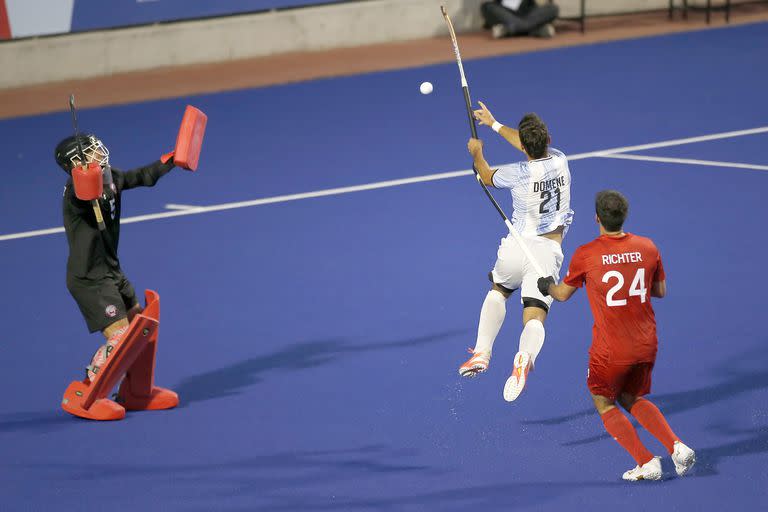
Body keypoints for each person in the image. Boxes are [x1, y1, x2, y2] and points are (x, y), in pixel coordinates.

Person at [537, 190, 696, 481]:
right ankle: (677, 445)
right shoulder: (648, 247)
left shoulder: (586, 254)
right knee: (630, 395)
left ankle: (646, 461)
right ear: (625, 216)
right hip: (647, 343)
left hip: (611, 351)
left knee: (604, 400)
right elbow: (660, 291)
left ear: (597, 217)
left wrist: (546, 285)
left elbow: (561, 295)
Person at [459, 102, 574, 403]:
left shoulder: (517, 173)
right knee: (534, 315)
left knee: (498, 290)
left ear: (523, 145)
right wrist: (494, 124)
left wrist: (477, 153)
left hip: (516, 246)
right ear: (548, 139)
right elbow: (528, 143)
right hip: (546, 252)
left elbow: (485, 176)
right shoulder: (561, 160)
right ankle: (523, 356)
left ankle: (482, 352)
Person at [54, 134, 175, 382]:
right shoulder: (74, 193)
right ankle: (89, 385)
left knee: (142, 327)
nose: (99, 151)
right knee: (120, 336)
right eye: (90, 151)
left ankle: (136, 390)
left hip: (112, 271)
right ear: (77, 163)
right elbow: (84, 194)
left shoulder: (110, 176)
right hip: (90, 278)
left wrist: (172, 161)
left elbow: (142, 176)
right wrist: (85, 178)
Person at [481, 0, 559, 39]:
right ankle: (535, 30)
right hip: (506, 13)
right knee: (486, 7)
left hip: (528, 13)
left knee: (553, 8)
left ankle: (509, 30)